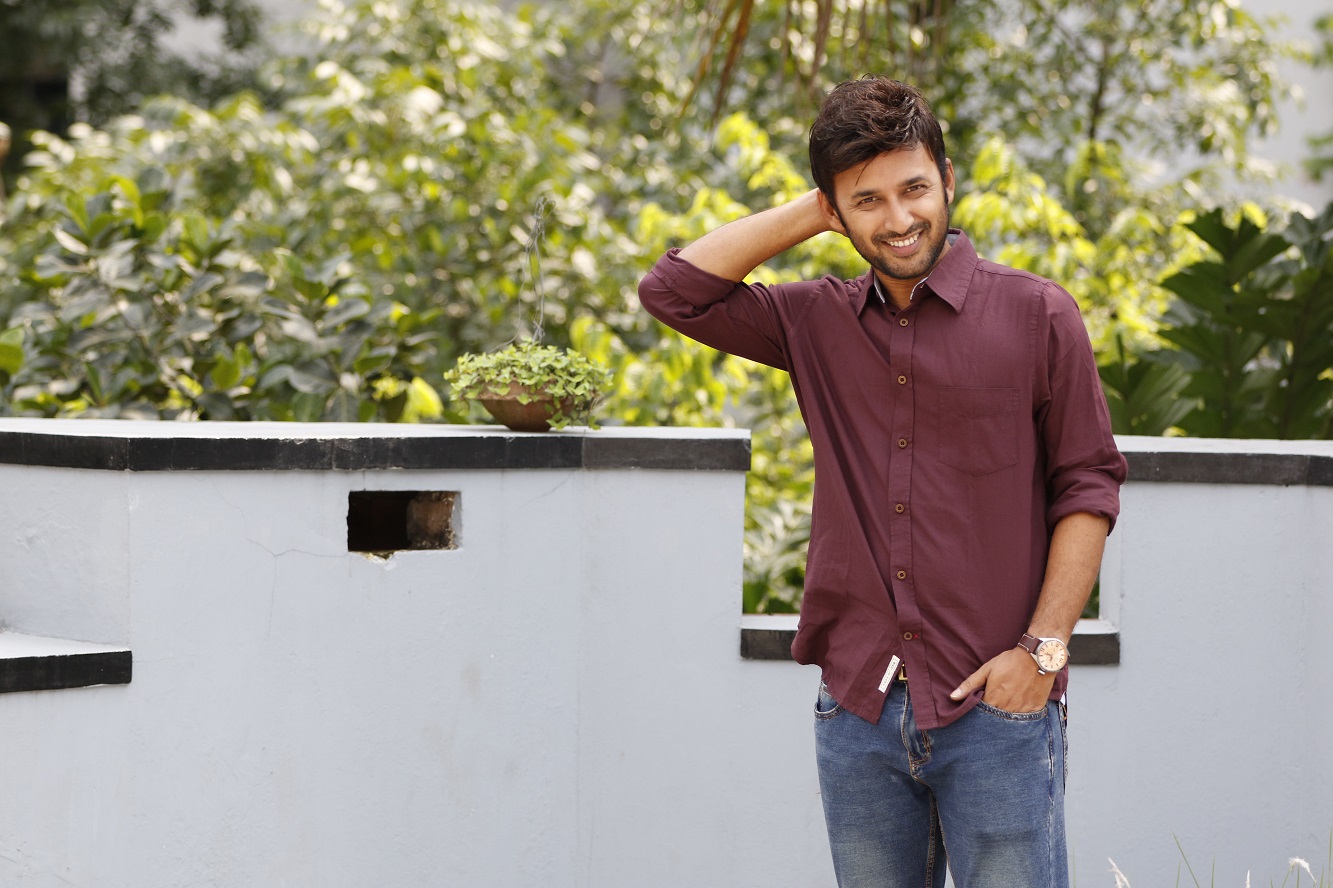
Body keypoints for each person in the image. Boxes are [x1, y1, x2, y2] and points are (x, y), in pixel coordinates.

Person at [637, 76, 1127, 888]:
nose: (898, 220)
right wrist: (813, 207)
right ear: (835, 212)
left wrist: (1039, 656)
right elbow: (674, 291)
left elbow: (1087, 488)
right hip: (859, 711)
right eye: (866, 200)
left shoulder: (1038, 316)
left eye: (913, 188)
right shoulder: (811, 321)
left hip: (996, 710)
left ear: (947, 180)